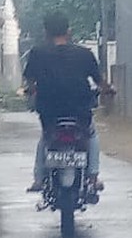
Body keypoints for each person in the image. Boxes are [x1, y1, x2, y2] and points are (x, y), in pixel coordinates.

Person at [23, 12, 113, 192]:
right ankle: (93, 177)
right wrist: (108, 90)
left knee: (46, 138)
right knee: (91, 135)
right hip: (80, 112)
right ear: (68, 31)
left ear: (46, 32)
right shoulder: (84, 54)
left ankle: (39, 180)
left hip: (50, 113)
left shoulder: (37, 53)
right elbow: (99, 81)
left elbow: (30, 82)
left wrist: (31, 90)